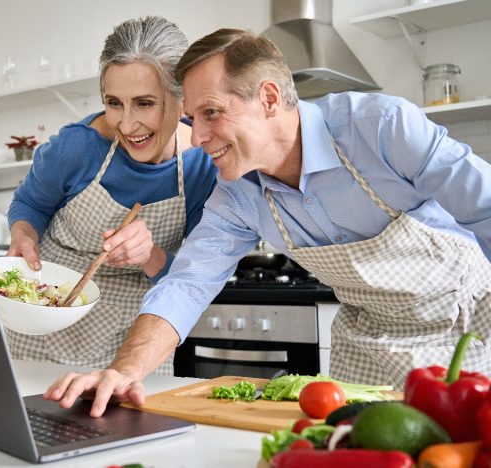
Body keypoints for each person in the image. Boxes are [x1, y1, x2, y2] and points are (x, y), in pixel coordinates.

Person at [44, 28, 491, 417]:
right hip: (367, 346)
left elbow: (486, 209)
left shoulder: (381, 129)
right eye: (192, 119)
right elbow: (186, 284)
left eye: (211, 113)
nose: (197, 138)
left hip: (468, 334)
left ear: (270, 98)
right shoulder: (237, 193)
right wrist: (122, 373)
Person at [6, 16, 217, 375]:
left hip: (134, 340)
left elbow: (192, 281)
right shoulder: (77, 146)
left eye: (145, 103)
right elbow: (30, 204)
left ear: (184, 99)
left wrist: (148, 256)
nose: (127, 123)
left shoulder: (202, 167)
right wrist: (23, 236)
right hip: (45, 329)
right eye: (114, 102)